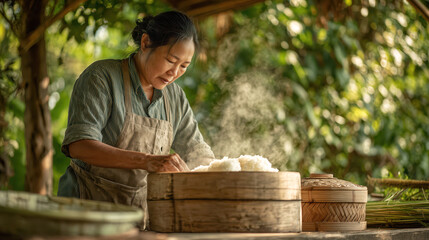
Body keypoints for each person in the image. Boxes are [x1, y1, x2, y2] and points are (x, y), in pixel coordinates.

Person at [57, 11, 215, 229]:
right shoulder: (101, 77)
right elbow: (79, 146)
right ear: (145, 42)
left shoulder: (175, 97)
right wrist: (147, 160)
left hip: (140, 222)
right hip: (85, 215)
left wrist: (224, 173)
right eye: (171, 60)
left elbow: (197, 152)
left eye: (184, 66)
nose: (174, 73)